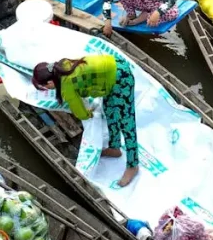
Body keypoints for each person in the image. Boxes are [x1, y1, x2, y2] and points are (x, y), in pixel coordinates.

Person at [32, 53, 140, 187]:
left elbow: (82, 114)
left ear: (49, 82)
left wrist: (89, 114)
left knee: (126, 122)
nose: (46, 90)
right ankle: (115, 147)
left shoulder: (67, 86)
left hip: (121, 78)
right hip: (112, 71)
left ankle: (133, 165)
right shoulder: (62, 65)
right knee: (110, 111)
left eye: (44, 87)